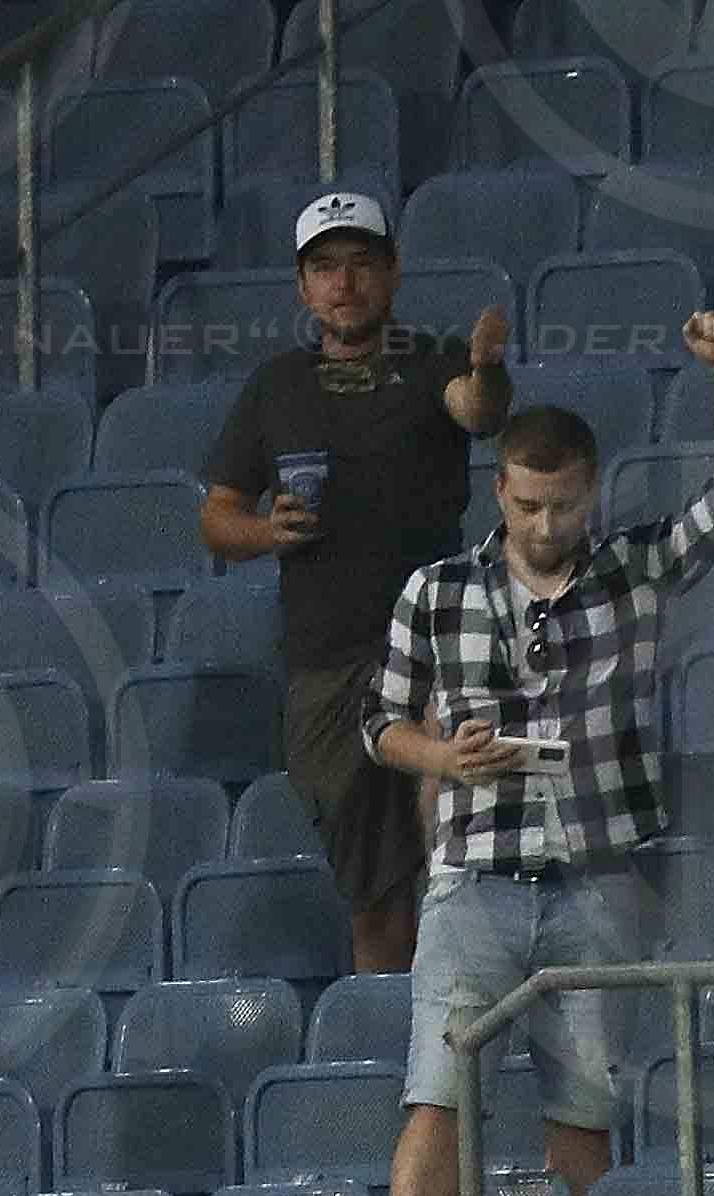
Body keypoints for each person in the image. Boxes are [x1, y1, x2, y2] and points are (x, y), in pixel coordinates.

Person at [358, 324, 714, 1196]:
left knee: (581, 1111)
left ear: (593, 491)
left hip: (595, 878)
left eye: (568, 505)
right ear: (500, 493)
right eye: (530, 506)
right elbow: (381, 726)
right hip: (471, 878)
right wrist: (447, 761)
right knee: (437, 1095)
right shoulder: (434, 591)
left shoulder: (630, 571)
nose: (548, 525)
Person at [208, 199, 514, 987]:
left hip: (436, 653)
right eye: (325, 268)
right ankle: (393, 1058)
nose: (345, 283)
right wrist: (265, 531)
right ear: (303, 288)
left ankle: (461, 1043)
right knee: (375, 900)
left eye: (362, 264)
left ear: (392, 273)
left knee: (452, 867)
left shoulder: (434, 358)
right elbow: (216, 516)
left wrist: (485, 373)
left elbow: (476, 410)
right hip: (325, 664)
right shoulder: (275, 385)